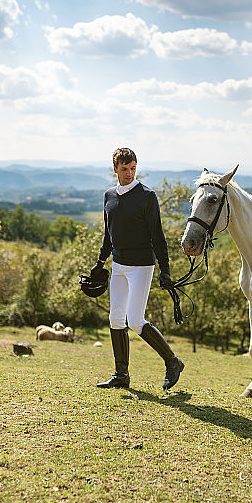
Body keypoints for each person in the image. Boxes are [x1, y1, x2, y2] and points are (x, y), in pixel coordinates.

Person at [90, 147, 184, 390]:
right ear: (115, 169)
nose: (129, 173)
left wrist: (165, 270)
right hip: (118, 265)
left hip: (142, 266)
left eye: (133, 168)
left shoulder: (147, 196)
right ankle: (121, 375)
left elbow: (158, 237)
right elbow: (108, 236)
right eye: (124, 169)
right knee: (115, 318)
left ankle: (172, 362)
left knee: (134, 320)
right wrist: (99, 263)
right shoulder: (109, 196)